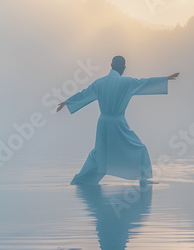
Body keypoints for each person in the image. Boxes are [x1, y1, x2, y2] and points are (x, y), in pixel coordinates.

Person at [57, 56, 178, 185]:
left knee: (100, 153)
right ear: (123, 68)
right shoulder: (126, 82)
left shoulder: (100, 83)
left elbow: (84, 94)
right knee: (139, 148)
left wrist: (67, 102)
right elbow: (144, 82)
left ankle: (82, 179)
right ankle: (143, 178)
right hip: (117, 122)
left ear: (111, 65)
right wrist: (166, 79)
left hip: (103, 123)